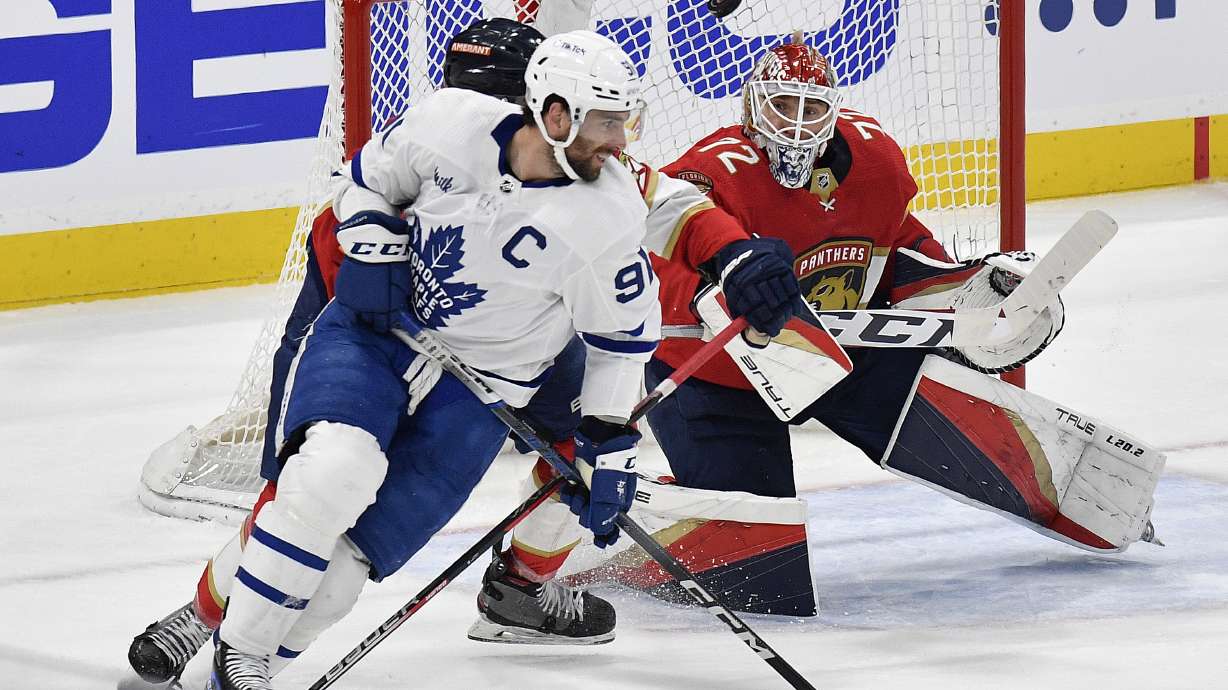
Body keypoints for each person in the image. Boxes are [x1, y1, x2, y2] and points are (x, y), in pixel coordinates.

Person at [475, 36, 1070, 633]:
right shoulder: (714, 172)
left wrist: (960, 297)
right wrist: (721, 291)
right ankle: (595, 538)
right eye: (784, 107)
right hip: (712, 377)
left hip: (835, 359)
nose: (798, 124)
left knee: (948, 408)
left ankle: (1068, 485)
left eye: (812, 109)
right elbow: (656, 277)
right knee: (762, 572)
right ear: (753, 109)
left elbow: (896, 251)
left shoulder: (875, 160)